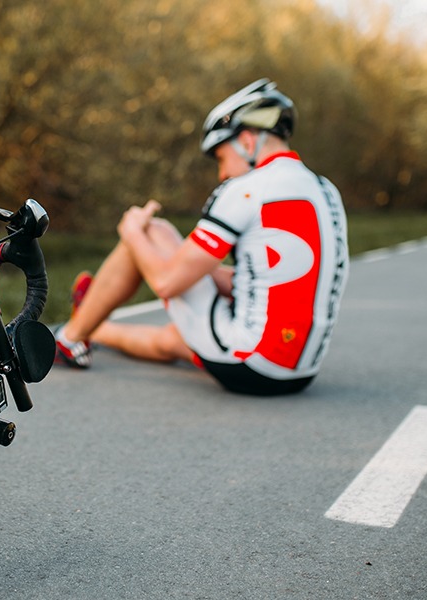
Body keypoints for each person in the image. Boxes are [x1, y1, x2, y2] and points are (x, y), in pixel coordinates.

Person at [53, 78, 349, 396]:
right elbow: (274, 279)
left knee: (153, 231)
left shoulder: (248, 188)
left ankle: (69, 339)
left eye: (221, 158)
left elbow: (166, 282)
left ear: (247, 142)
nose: (221, 174)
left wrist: (131, 232)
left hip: (249, 364)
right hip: (299, 373)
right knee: (170, 340)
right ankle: (91, 324)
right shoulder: (325, 189)